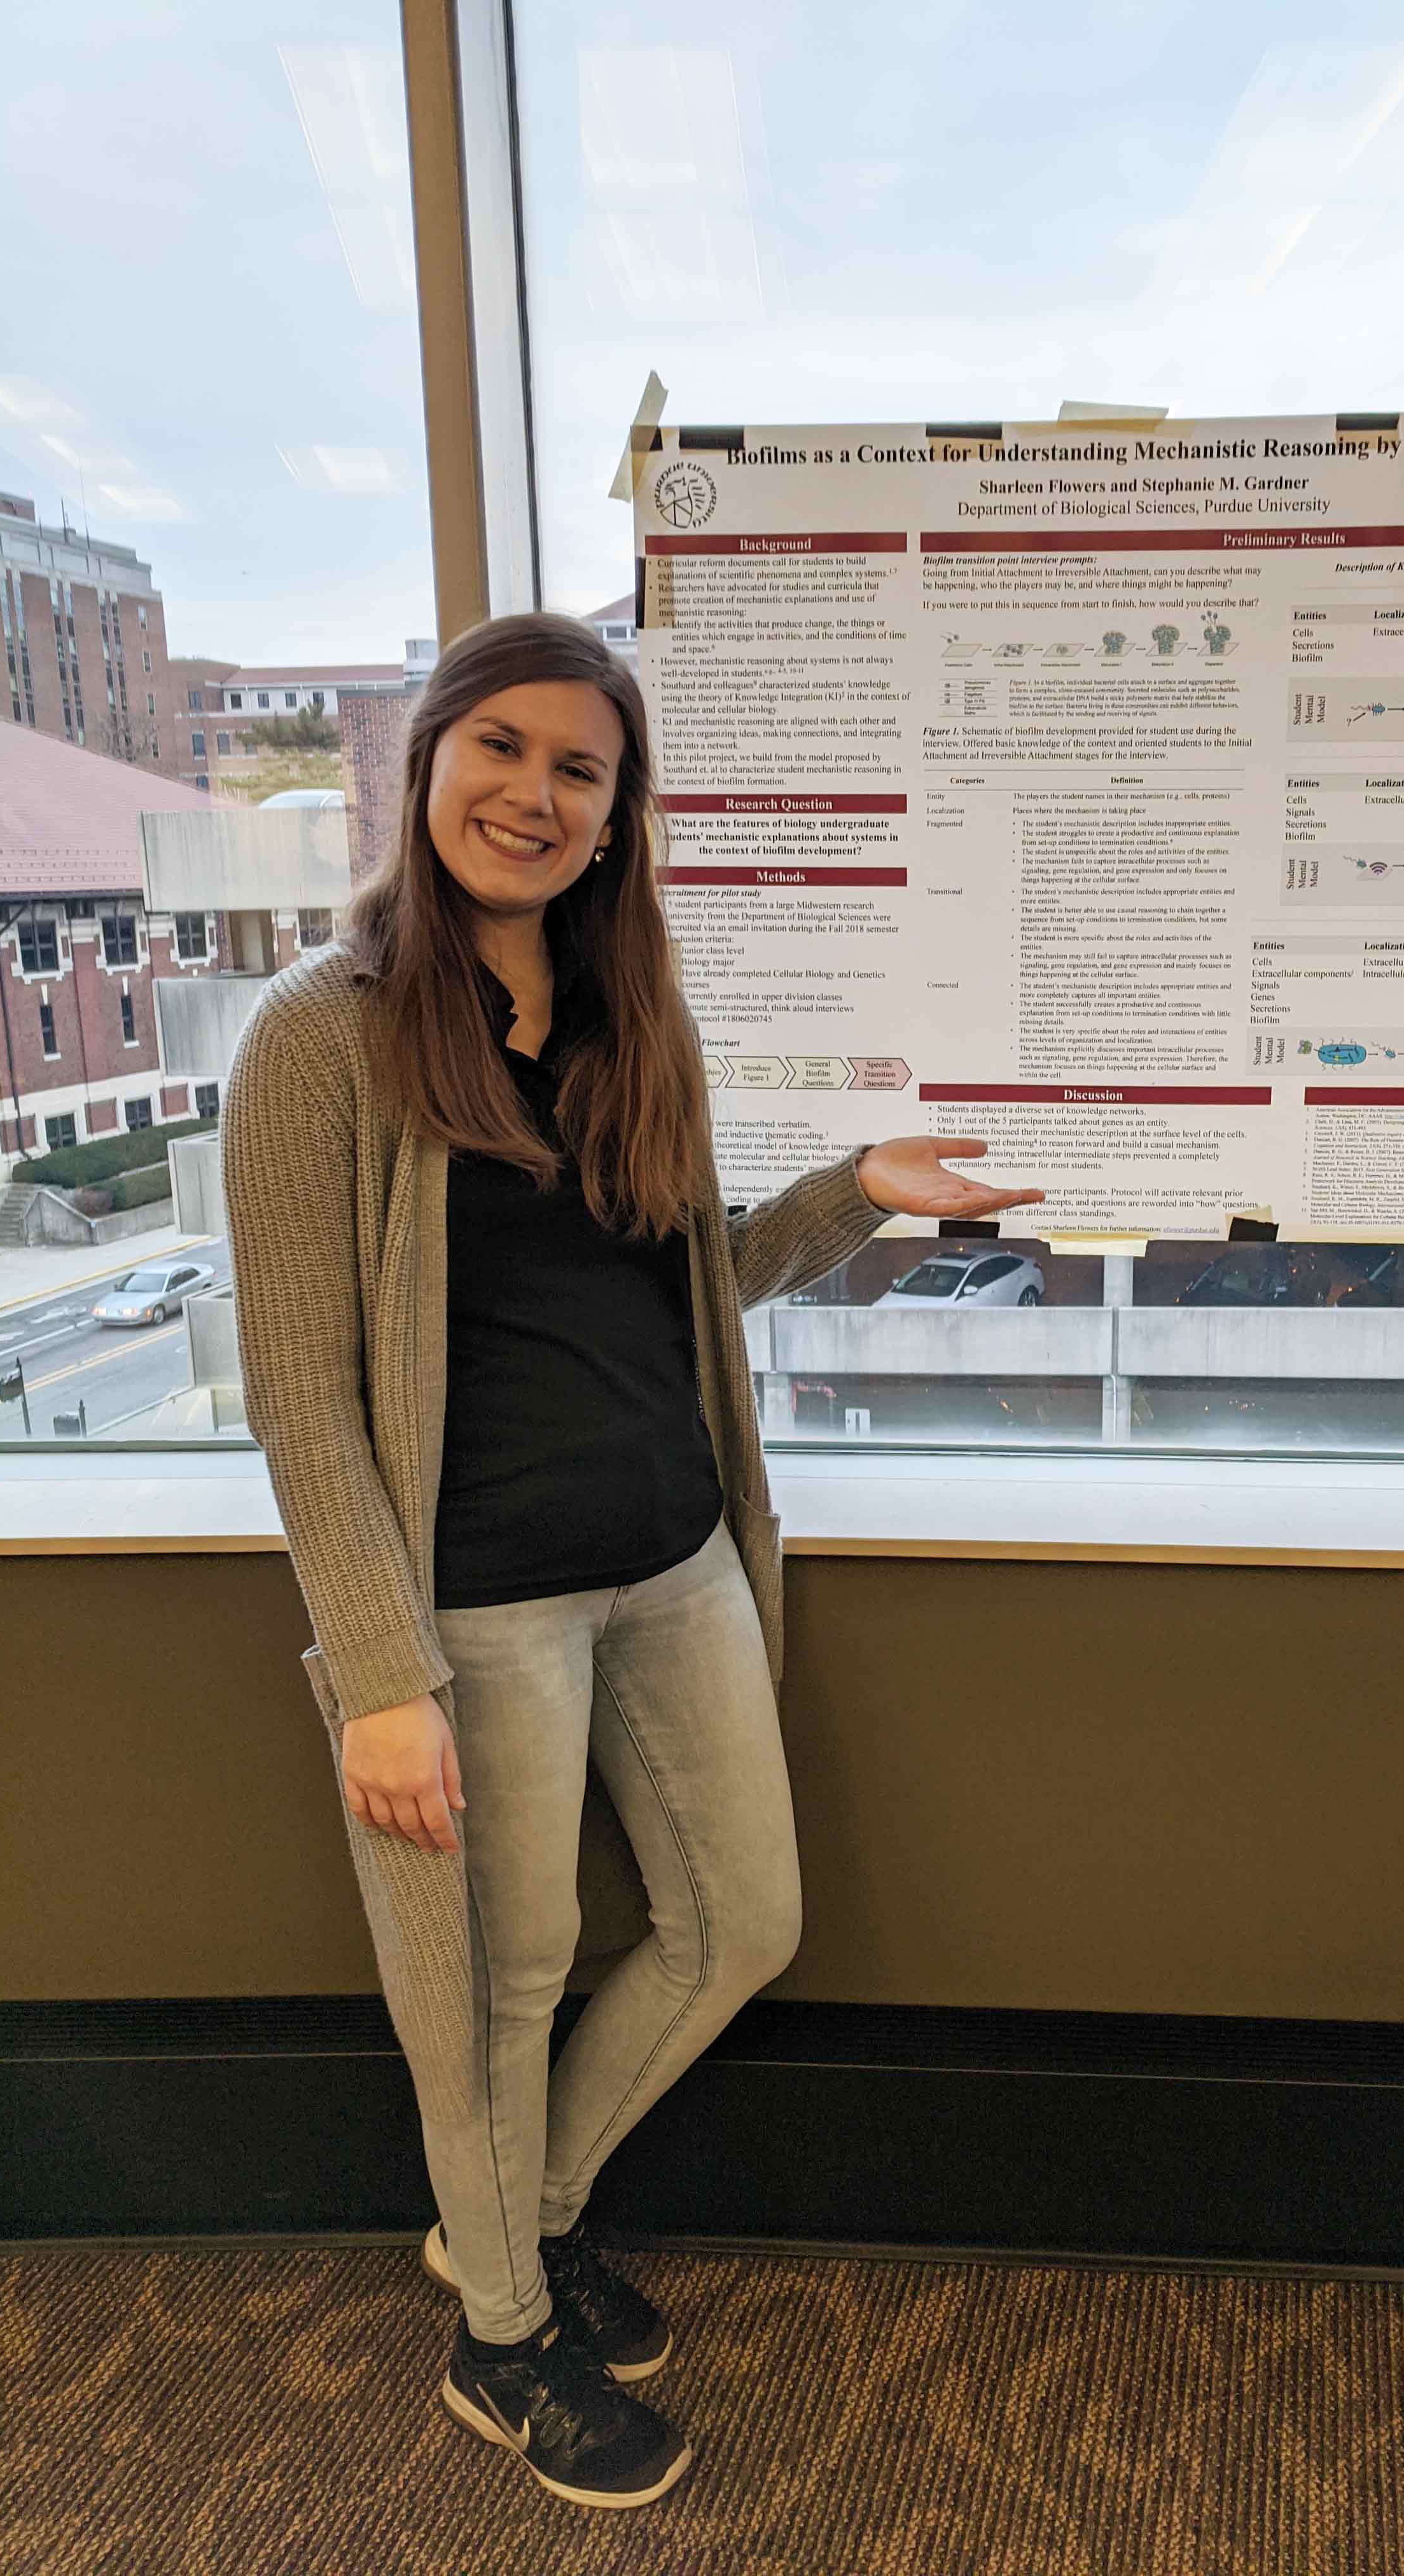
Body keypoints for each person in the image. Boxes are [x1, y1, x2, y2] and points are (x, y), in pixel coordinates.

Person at [221, 610, 1043, 2512]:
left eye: (576, 769)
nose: (531, 792)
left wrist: (852, 1200)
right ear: (426, 762)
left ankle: (518, 2219)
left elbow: (689, 1285)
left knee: (734, 1921)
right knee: (500, 1982)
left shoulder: (625, 1015)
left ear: (614, 814)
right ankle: (501, 2337)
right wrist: (378, 1678)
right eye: (497, 748)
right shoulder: (317, 1037)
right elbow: (300, 1389)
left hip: (676, 1567)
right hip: (476, 1609)